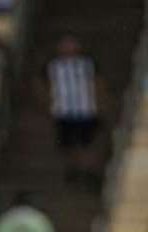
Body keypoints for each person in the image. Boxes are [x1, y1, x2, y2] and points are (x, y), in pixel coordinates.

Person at [45, 36, 101, 184]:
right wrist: (49, 102)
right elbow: (40, 85)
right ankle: (73, 170)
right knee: (67, 145)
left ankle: (89, 172)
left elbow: (98, 83)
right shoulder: (52, 66)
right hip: (63, 112)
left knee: (87, 143)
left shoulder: (87, 64)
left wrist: (98, 102)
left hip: (86, 111)